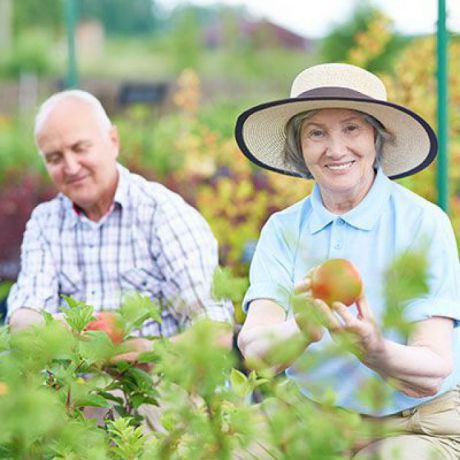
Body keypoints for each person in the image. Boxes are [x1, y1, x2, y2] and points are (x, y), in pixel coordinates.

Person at [235, 63, 460, 459]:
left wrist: (374, 349)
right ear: (300, 147)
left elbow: (434, 368)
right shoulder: (283, 229)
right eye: (316, 133)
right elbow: (255, 350)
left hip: (413, 421)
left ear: (377, 136)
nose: (335, 149)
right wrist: (303, 326)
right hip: (309, 414)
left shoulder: (421, 224)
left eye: (352, 128)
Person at [7, 89, 234, 354]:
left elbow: (216, 332)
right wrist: (62, 325)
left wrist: (141, 352)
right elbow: (23, 317)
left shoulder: (162, 213)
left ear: (113, 141)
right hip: (74, 393)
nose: (70, 166)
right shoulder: (45, 222)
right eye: (54, 158)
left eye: (80, 148)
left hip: (159, 387)